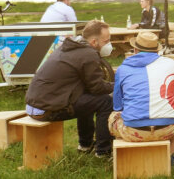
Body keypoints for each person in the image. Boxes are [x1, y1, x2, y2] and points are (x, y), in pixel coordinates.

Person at [25, 20, 116, 157]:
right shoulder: (88, 54)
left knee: (88, 99)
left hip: (34, 105)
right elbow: (97, 88)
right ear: (93, 42)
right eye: (106, 41)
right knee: (106, 101)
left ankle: (85, 145)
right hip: (47, 109)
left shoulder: (68, 47)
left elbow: (90, 87)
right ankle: (103, 150)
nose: (109, 44)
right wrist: (118, 85)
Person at [111, 32, 174, 166]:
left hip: (132, 132)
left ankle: (124, 157)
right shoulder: (172, 64)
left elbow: (117, 105)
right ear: (157, 50)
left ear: (135, 49)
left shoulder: (122, 69)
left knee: (114, 116)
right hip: (167, 129)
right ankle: (169, 155)